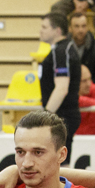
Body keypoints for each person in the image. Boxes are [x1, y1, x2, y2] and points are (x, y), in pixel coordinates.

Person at [39, 12, 82, 162]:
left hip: (62, 116)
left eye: (45, 27)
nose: (41, 31)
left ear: (57, 30)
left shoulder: (61, 51)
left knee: (60, 165)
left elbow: (61, 88)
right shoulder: (62, 49)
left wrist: (44, 118)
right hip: (62, 116)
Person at [68, 12, 95, 89]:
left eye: (83, 26)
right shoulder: (63, 48)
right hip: (68, 89)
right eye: (76, 26)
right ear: (70, 28)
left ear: (87, 27)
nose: (80, 30)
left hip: (90, 89)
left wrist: (87, 85)